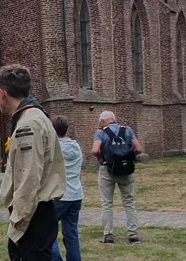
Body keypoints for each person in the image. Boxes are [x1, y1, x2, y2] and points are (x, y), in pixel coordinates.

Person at [0, 64, 66, 261]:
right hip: (38, 211)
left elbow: (28, 178)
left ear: (2, 92)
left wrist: (18, 223)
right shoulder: (34, 116)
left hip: (32, 214)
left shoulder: (28, 124)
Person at [91, 110, 143, 245]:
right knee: (129, 202)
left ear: (102, 122)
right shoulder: (127, 130)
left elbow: (95, 150)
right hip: (126, 170)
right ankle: (133, 236)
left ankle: (108, 235)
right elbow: (139, 148)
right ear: (114, 118)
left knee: (107, 203)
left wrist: (101, 158)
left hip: (107, 170)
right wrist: (129, 156)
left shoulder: (101, 132)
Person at [51, 116, 84, 261]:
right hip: (76, 194)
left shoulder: (53, 149)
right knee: (71, 233)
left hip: (59, 195)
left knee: (47, 231)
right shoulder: (76, 146)